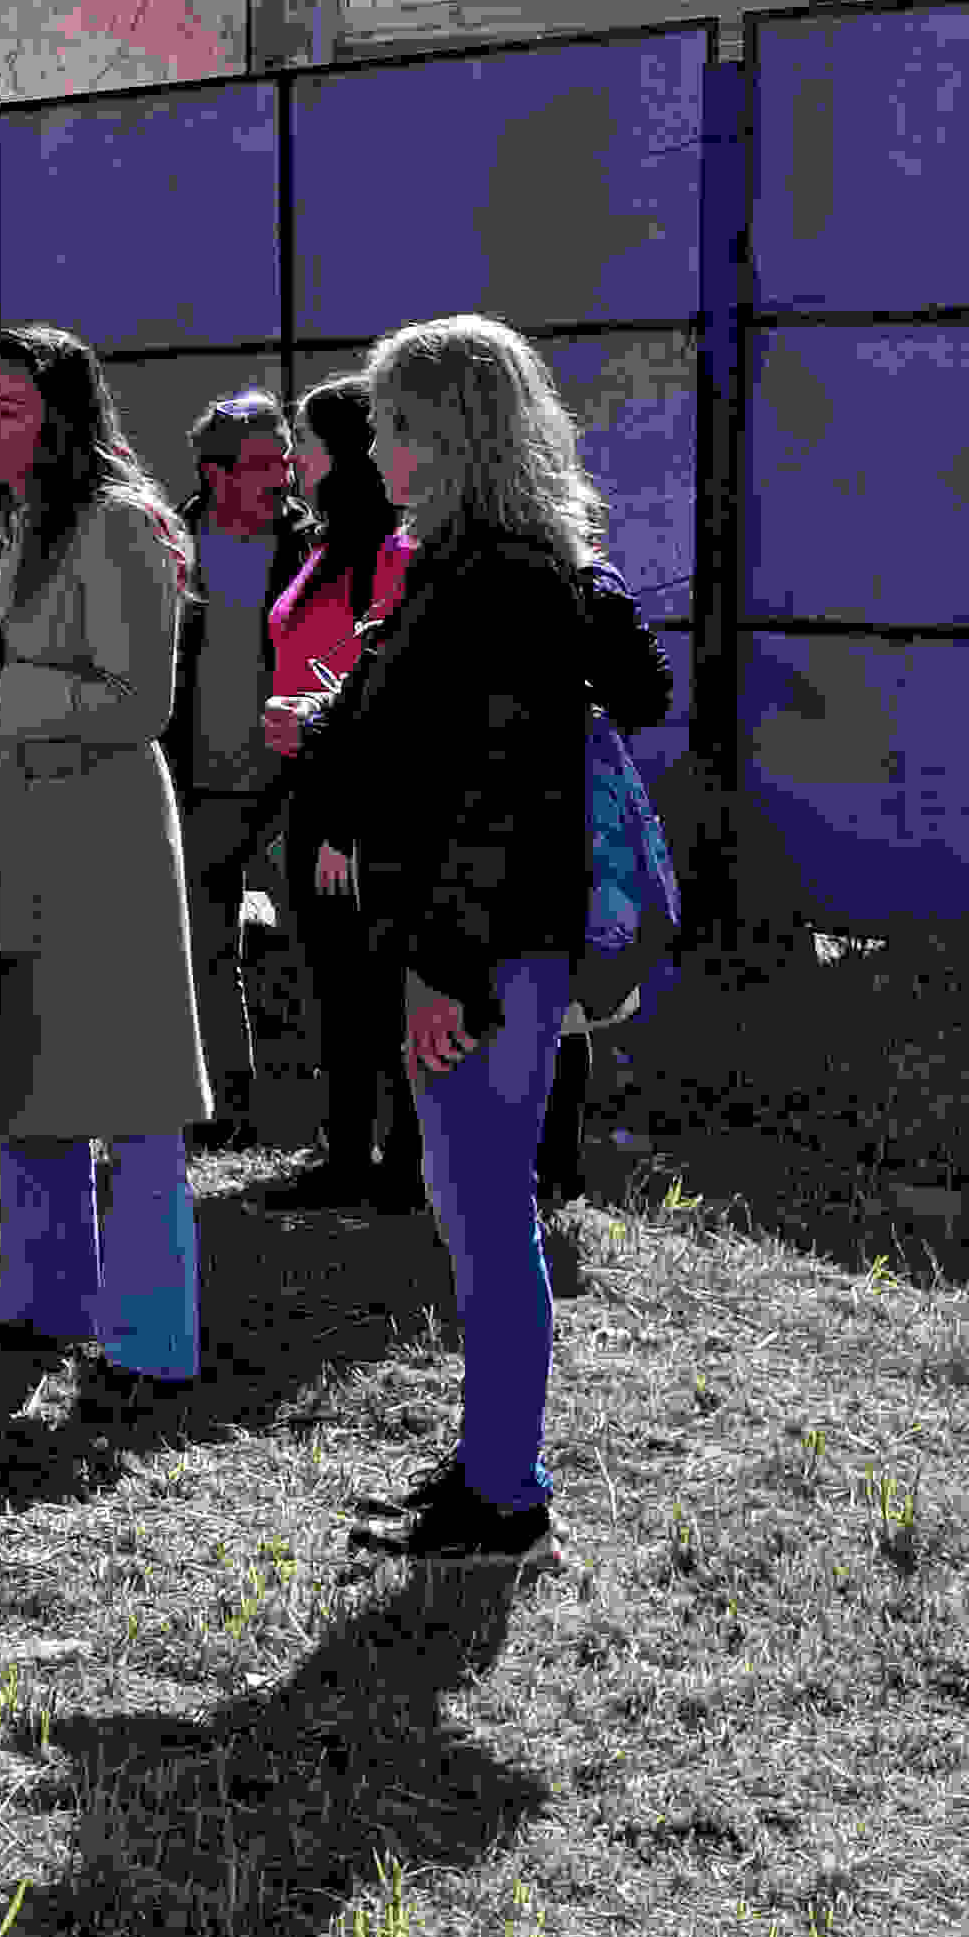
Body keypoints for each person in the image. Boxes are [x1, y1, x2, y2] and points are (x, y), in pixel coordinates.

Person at [301, 315, 600, 1572]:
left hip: (481, 954)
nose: (373, 448)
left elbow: (499, 801)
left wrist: (447, 973)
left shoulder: (505, 578)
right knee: (474, 1216)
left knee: (487, 1220)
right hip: (472, 944)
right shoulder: (465, 564)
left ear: (450, 432)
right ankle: (491, 1462)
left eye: (390, 424)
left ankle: (505, 1498)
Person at [0, 321, 212, 1420]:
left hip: (101, 833)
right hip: (5, 826)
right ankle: (39, 1298)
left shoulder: (124, 522)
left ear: (64, 419)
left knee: (130, 1090)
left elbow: (141, 702)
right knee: (23, 1071)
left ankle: (152, 1341)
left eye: (10, 408)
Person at [256, 376, 424, 1214]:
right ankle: (349, 1152)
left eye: (306, 442)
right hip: (311, 783)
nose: (294, 457)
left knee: (376, 984)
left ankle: (401, 1162)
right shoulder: (324, 546)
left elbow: (387, 702)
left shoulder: (394, 557)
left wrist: (345, 828)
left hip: (356, 796)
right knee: (335, 982)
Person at [165, 388, 308, 1154]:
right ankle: (226, 1102)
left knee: (316, 948)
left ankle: (323, 1108)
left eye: (285, 461)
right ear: (215, 472)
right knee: (203, 948)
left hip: (294, 782)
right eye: (262, 465)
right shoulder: (171, 542)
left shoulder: (312, 546)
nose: (281, 478)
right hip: (199, 782)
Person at [536, 546, 678, 1277]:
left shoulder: (586, 578)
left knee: (565, 983)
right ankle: (546, 1174)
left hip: (565, 797)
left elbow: (648, 694)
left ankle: (554, 1175)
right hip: (545, 792)